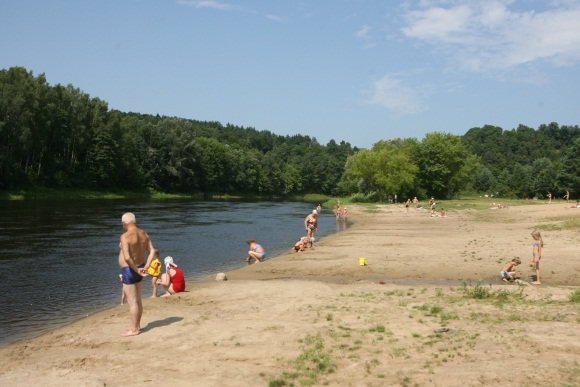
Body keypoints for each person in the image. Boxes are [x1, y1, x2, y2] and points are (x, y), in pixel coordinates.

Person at [118, 212, 156, 337]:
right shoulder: (143, 233)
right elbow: (152, 251)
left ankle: (134, 329)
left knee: (132, 301)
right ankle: (137, 325)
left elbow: (128, 258)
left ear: (124, 223)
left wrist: (135, 269)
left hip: (130, 269)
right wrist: (146, 266)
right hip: (140, 266)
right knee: (138, 299)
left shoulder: (125, 236)